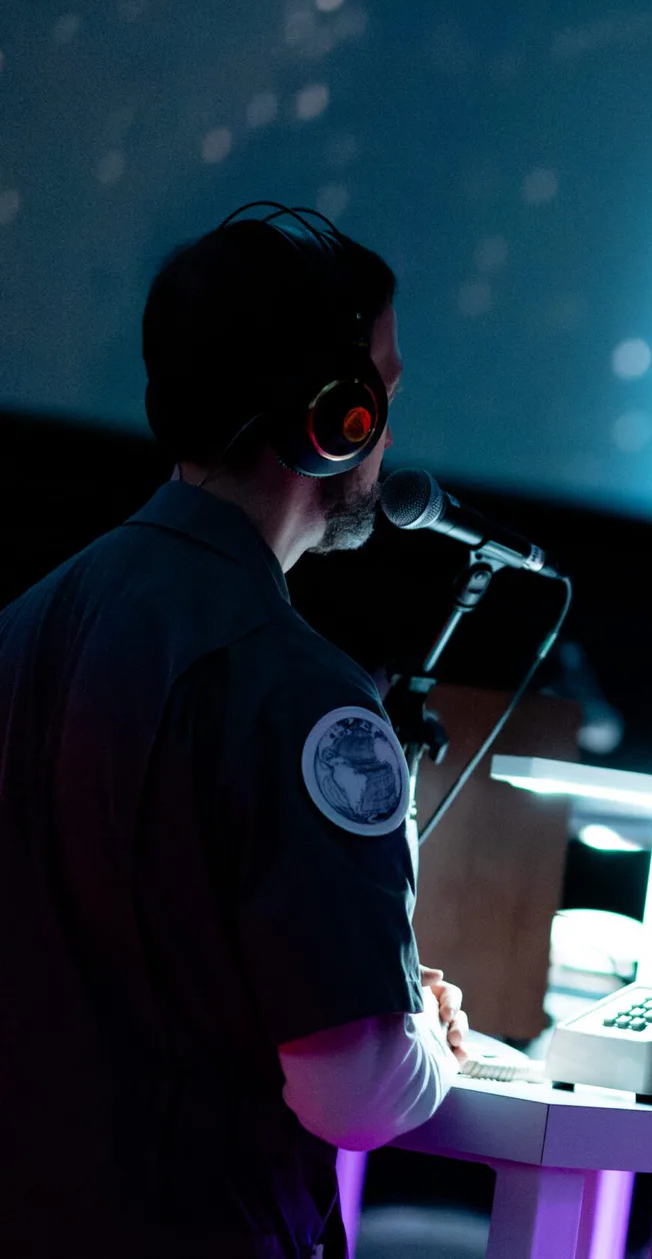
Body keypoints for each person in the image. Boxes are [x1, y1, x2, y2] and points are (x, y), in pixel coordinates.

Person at [0, 205, 468, 1258]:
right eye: (382, 388)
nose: (390, 427)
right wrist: (430, 1039)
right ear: (335, 416)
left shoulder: (21, 631)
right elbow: (358, 1089)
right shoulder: (298, 693)